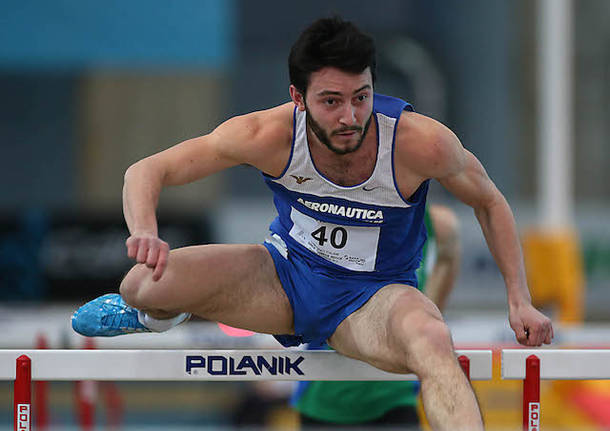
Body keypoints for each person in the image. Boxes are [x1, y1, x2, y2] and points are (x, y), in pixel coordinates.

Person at [71, 16, 553, 430]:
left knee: (432, 340)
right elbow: (146, 171)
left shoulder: (420, 142)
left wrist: (519, 299)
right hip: (284, 278)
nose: (350, 117)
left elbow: (490, 202)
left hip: (374, 298)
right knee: (141, 284)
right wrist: (145, 232)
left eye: (361, 97)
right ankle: (159, 316)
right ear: (297, 98)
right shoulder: (266, 135)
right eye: (331, 101)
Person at [293, 205, 460, 430]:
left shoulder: (437, 223)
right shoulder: (334, 209)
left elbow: (447, 260)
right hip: (326, 395)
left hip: (393, 393)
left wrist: (425, 321)